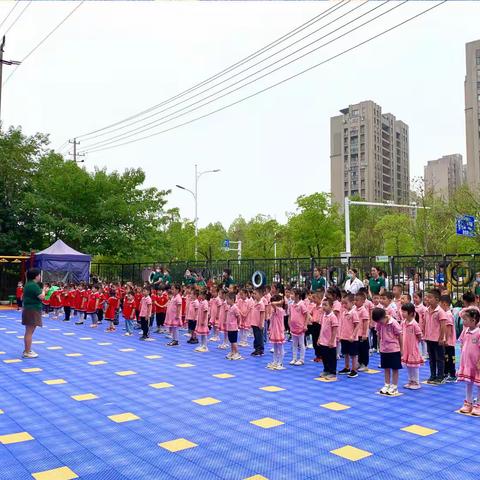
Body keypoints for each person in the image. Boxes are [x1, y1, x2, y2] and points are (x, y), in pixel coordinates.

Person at [373, 307, 403, 396]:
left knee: (395, 368)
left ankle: (394, 386)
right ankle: (387, 384)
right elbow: (378, 333)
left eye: (380, 321)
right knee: (386, 368)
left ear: (384, 316)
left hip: (394, 349)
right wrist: (379, 345)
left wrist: (402, 349)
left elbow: (400, 335)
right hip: (384, 349)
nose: (379, 323)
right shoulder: (379, 323)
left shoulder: (393, 323)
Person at [457, 309, 480, 416]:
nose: (463, 322)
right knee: (468, 383)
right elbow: (462, 343)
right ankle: (468, 402)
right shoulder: (465, 330)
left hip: (476, 364)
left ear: (473, 320)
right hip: (467, 363)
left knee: (479, 384)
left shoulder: (479, 333)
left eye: (465, 319)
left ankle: (478, 404)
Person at [21, 268, 46, 359]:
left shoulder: (28, 284)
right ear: (36, 276)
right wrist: (44, 290)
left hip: (29, 309)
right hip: (32, 310)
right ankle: (27, 352)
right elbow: (42, 297)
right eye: (39, 275)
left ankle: (27, 350)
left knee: (29, 331)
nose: (40, 276)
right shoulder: (33, 285)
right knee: (29, 332)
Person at [424, 289, 447, 384]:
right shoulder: (427, 310)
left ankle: (440, 376)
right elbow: (426, 324)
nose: (427, 299)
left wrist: (441, 338)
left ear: (437, 300)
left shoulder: (440, 311)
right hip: (429, 338)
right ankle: (433, 375)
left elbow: (443, 325)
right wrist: (425, 335)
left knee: (440, 358)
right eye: (427, 297)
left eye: (430, 297)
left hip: (437, 339)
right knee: (432, 358)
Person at [400, 303, 423, 390]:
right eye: (402, 311)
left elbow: (419, 335)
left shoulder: (414, 324)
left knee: (415, 366)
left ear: (411, 313)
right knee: (409, 366)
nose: (402, 313)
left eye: (404, 312)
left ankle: (416, 382)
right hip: (406, 348)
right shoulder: (403, 323)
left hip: (413, 348)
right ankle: (410, 381)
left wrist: (416, 343)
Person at [338, 293, 360, 378]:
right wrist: (340, 335)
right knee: (345, 353)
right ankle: (347, 367)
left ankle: (354, 370)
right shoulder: (344, 312)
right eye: (343, 303)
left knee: (353, 354)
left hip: (352, 338)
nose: (344, 305)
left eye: (346, 303)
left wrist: (353, 335)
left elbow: (357, 325)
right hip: (344, 337)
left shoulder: (354, 313)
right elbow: (342, 325)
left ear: (352, 303)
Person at [318, 297, 339, 379]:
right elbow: (322, 328)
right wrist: (319, 338)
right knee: (324, 357)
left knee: (331, 357)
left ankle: (332, 371)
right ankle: (326, 369)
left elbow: (334, 330)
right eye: (323, 305)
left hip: (330, 342)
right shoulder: (323, 316)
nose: (323, 307)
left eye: (325, 305)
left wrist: (332, 340)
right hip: (323, 341)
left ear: (331, 306)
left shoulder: (333, 317)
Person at [288, 288, 309, 366]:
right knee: (294, 343)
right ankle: (294, 358)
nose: (291, 296)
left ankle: (301, 359)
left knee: (301, 343)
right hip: (293, 327)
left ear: (297, 295)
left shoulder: (301, 304)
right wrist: (289, 323)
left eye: (292, 294)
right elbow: (290, 315)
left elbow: (306, 314)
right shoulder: (291, 304)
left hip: (300, 327)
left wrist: (305, 325)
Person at [439, 295, 457, 382]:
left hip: (449, 342)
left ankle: (453, 374)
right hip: (447, 341)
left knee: (451, 358)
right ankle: (446, 372)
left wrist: (445, 339)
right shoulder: (446, 314)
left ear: (445, 304)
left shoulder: (448, 315)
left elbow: (449, 330)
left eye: (440, 304)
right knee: (446, 358)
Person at [267, 294, 286, 370]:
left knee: (280, 348)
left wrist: (279, 302)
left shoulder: (279, 309)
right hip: (274, 331)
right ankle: (275, 361)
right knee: (275, 348)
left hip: (279, 331)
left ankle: (280, 362)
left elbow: (272, 303)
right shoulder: (275, 310)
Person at [225, 292, 242, 360]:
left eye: (228, 299)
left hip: (233, 328)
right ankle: (232, 352)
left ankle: (237, 353)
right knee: (231, 341)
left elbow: (238, 316)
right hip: (229, 328)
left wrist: (238, 324)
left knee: (234, 341)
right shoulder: (230, 307)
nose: (226, 301)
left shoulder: (235, 308)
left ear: (232, 300)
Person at [250, 287, 266, 356]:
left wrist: (261, 323)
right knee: (256, 337)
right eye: (253, 293)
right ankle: (256, 349)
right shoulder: (254, 302)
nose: (254, 295)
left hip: (258, 324)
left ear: (260, 295)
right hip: (254, 323)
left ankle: (260, 349)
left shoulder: (261, 304)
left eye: (255, 294)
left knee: (259, 337)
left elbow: (262, 314)